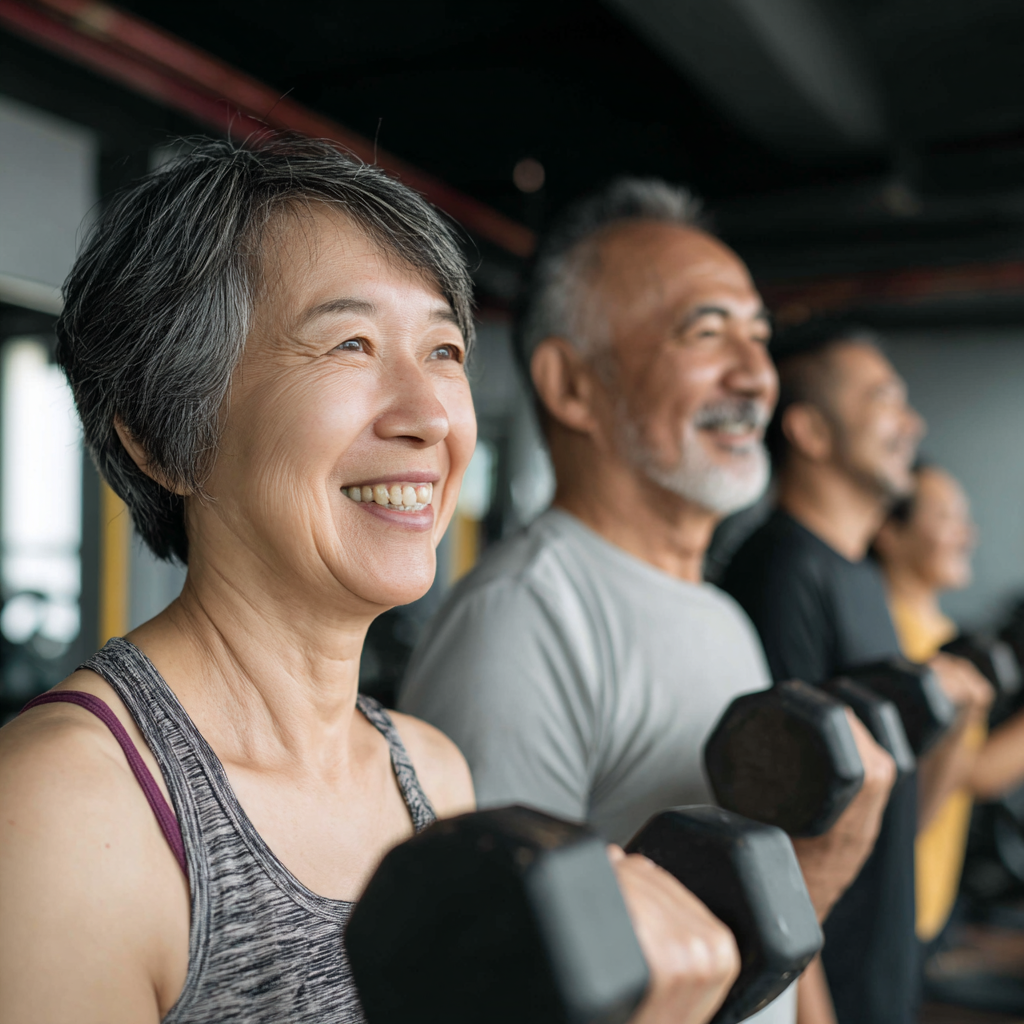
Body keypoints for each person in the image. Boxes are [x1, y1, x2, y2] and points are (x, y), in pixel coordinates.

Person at [0, 138, 743, 1024]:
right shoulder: (65, 809)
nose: (430, 415)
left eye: (442, 349)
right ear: (163, 437)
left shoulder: (432, 773)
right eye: (350, 344)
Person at [400, 180, 897, 1024]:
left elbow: (786, 929)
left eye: (758, 337)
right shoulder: (523, 622)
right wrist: (809, 883)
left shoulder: (720, 613)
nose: (757, 376)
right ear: (572, 385)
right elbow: (496, 993)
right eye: (706, 333)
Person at [721, 321, 992, 1024]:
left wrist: (958, 722)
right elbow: (770, 838)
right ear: (809, 432)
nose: (912, 422)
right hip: (824, 985)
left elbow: (900, 812)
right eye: (884, 400)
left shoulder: (861, 576)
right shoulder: (781, 572)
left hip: (882, 965)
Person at [875, 463, 1024, 942]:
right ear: (890, 533)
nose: (967, 533)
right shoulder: (889, 644)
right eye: (945, 517)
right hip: (888, 902)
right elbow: (969, 775)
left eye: (965, 517)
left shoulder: (949, 641)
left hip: (932, 904)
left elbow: (971, 770)